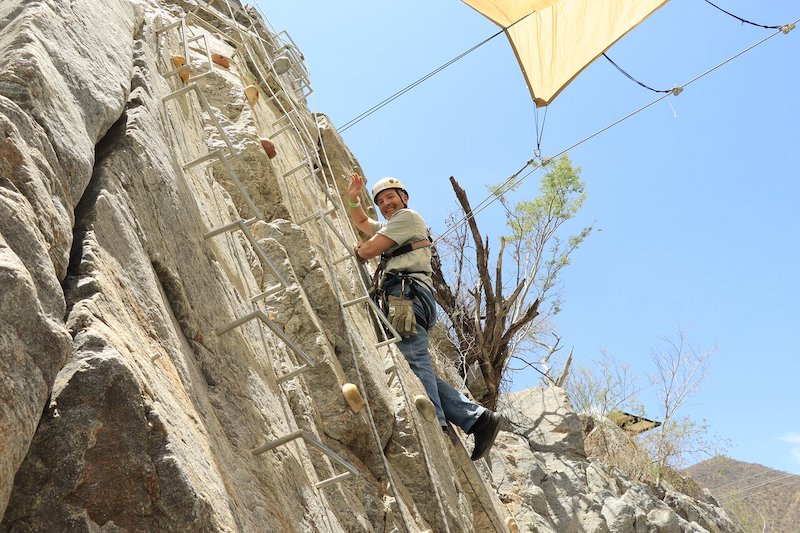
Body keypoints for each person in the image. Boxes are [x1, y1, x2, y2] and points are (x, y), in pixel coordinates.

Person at [346, 173, 502, 461]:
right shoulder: (395, 225)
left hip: (406, 294)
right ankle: (477, 419)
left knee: (413, 359)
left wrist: (358, 248)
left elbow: (367, 250)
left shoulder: (407, 217)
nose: (386, 204)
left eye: (390, 197)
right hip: (409, 295)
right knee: (412, 360)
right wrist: (355, 195)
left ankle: (438, 425)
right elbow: (362, 223)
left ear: (404, 198)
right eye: (380, 201)